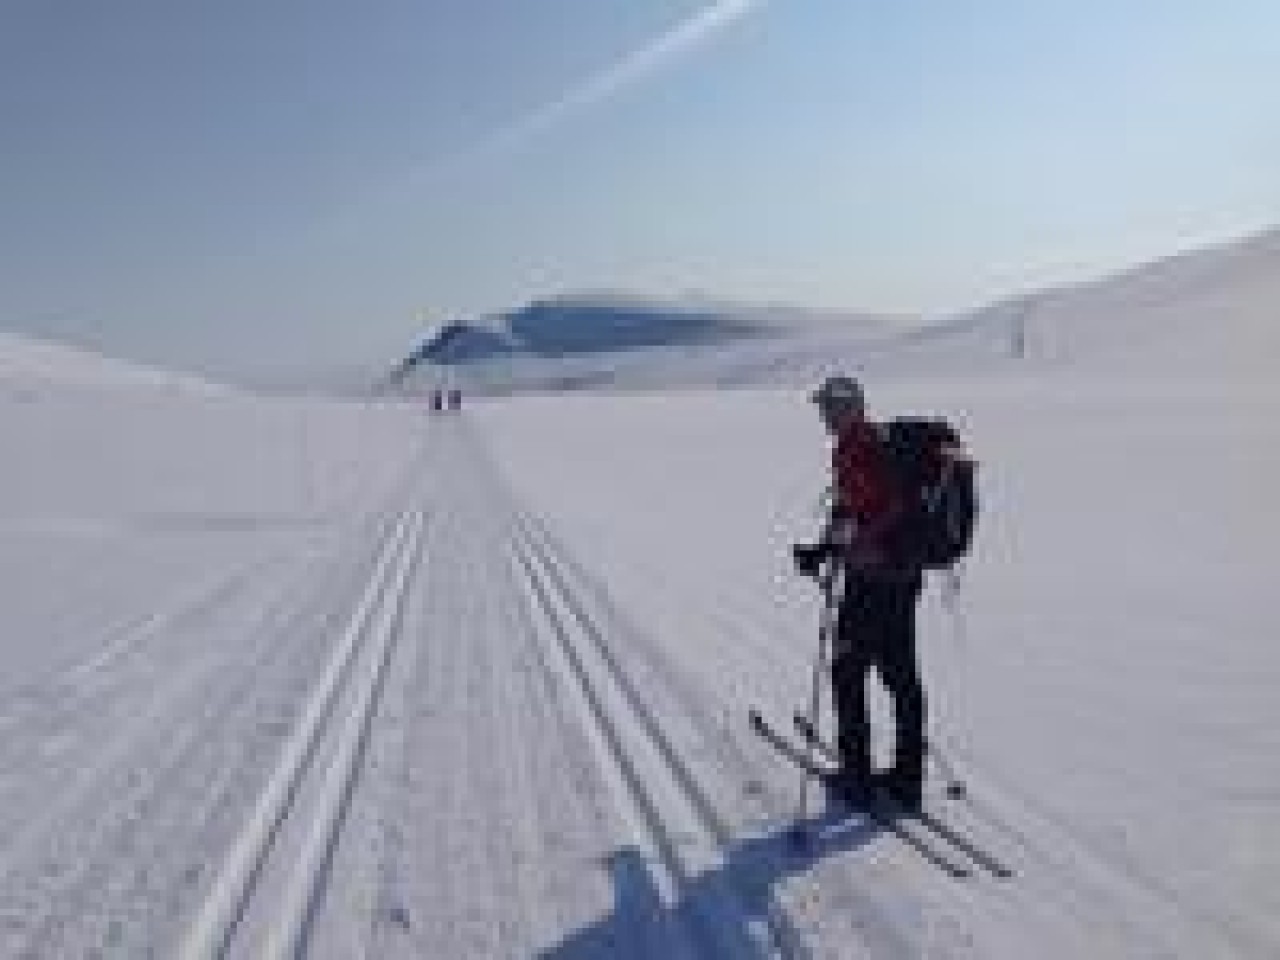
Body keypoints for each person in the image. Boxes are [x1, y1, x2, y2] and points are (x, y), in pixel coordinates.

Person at [793, 375, 927, 811]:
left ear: (849, 407)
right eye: (823, 408)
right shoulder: (874, 444)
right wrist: (823, 550)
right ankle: (907, 779)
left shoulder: (860, 447)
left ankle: (857, 777)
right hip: (903, 577)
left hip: (873, 581)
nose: (824, 415)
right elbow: (852, 510)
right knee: (900, 675)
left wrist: (856, 545)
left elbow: (876, 511)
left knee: (848, 672)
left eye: (829, 407)